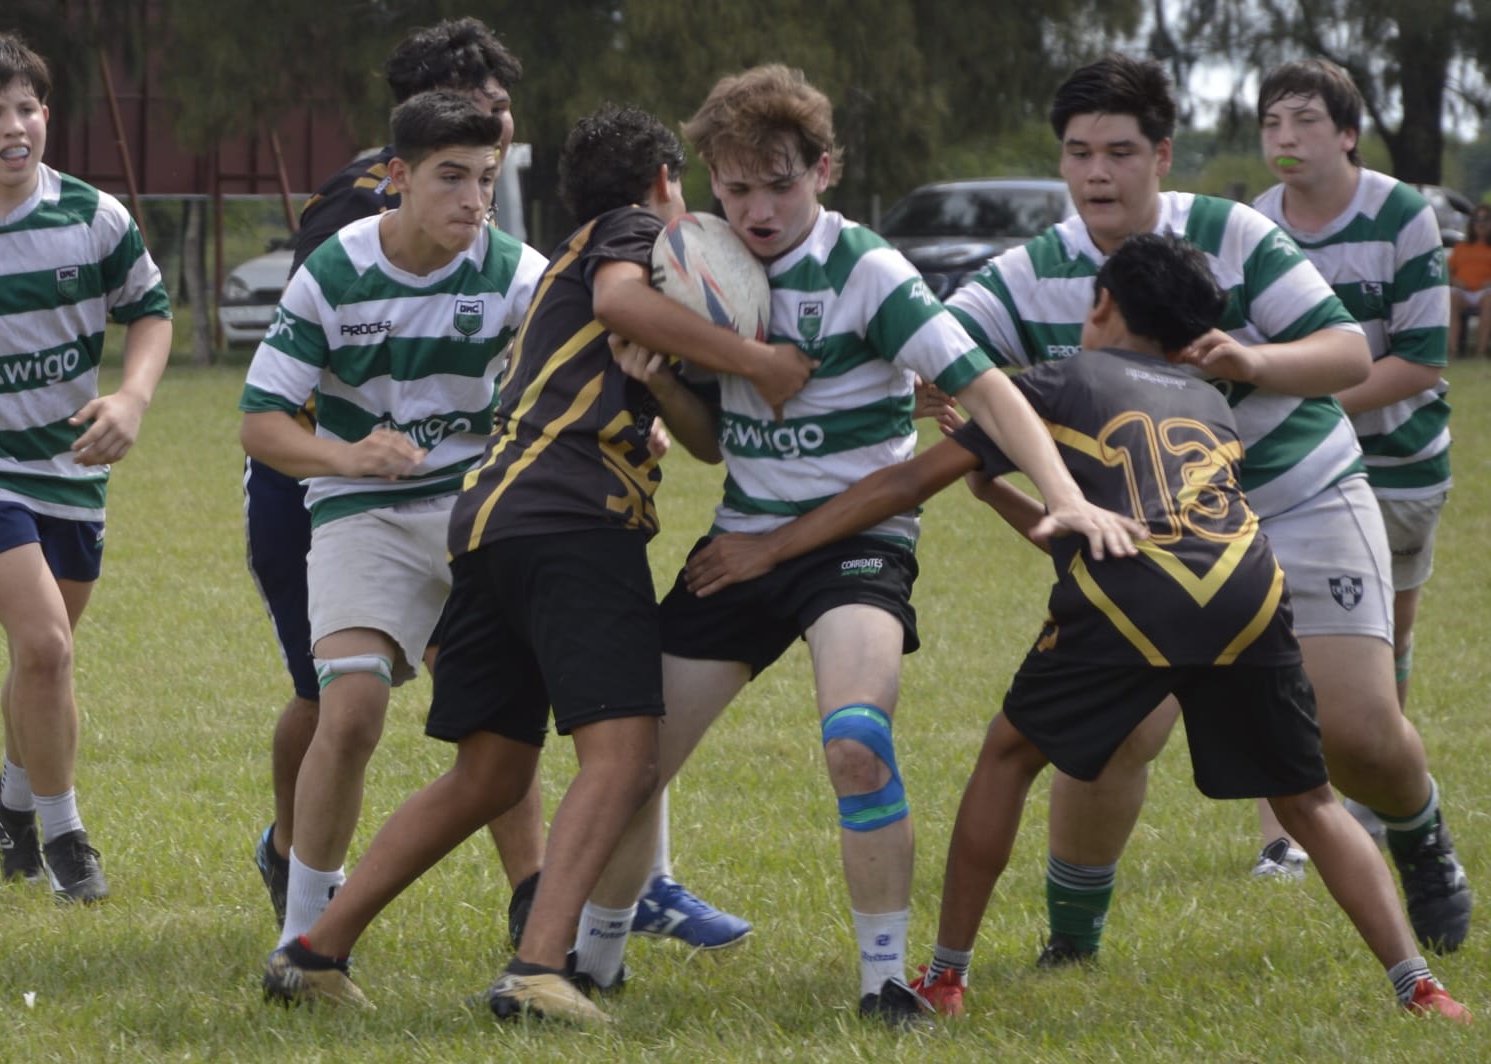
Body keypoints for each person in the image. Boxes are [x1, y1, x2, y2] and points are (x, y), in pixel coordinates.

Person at [685, 233, 1471, 1023]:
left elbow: (909, 479)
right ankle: (1421, 986)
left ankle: (947, 978)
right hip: (1250, 589)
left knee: (1006, 755)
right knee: (1308, 801)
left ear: (1101, 305)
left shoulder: (1057, 379)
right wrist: (998, 494)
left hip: (1140, 589)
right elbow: (1097, 527)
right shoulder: (1209, 402)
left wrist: (774, 546)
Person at [575, 65, 1143, 1030]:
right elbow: (716, 441)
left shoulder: (869, 271)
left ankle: (887, 983)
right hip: (740, 540)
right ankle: (593, 964)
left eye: (779, 184)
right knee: (631, 760)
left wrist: (1063, 498)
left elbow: (991, 391)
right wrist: (666, 385)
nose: (757, 208)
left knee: (856, 739)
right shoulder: (704, 265)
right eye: (736, 185)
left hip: (858, 547)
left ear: (824, 171)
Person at [259, 103, 812, 1024]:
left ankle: (313, 951)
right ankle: (538, 967)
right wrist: (759, 361)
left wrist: (668, 378)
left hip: (489, 521)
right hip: (574, 520)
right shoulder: (636, 240)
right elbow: (621, 305)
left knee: (493, 773)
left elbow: (704, 444)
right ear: (664, 184)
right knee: (624, 755)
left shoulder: (556, 259)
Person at [944, 53, 1470, 965]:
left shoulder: (1230, 233)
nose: (1096, 173)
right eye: (1077, 153)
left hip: (1298, 492)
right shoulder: (1030, 272)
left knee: (1354, 735)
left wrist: (1250, 363)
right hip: (1150, 525)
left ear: (1163, 156)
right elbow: (938, 349)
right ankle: (1073, 945)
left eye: (1118, 151)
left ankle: (1419, 834)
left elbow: (1348, 351)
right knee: (1109, 730)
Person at [239, 91, 549, 954]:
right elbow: (260, 421)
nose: (472, 201)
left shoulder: (518, 273)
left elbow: (574, 370)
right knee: (352, 709)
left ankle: (536, 904)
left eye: (485, 180)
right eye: (452, 178)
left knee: (495, 718)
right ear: (399, 178)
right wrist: (348, 457)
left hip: (472, 512)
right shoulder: (335, 272)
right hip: (358, 510)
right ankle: (305, 936)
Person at [0, 32, 172, 902]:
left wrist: (130, 400)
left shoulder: (94, 216)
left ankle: (11, 798)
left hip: (70, 462)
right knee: (46, 645)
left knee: (40, 656)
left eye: (28, 108)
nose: (15, 125)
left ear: (45, 117)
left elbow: (152, 312)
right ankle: (64, 840)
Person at [1252, 58, 1454, 869]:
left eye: (1304, 121)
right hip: (1288, 475)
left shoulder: (1403, 214)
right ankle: (1283, 834)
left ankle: (1376, 798)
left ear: (1347, 134)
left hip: (1398, 465)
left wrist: (1308, 401)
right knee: (1275, 646)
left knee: (1383, 639)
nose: (1285, 138)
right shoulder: (1256, 221)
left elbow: (1424, 360)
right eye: (1271, 123)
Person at [1448, 205, 1491, 356]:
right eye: (1477, 219)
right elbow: (1447, 272)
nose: (1481, 223)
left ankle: (1480, 351)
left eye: (1486, 220)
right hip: (1463, 291)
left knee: (1489, 300)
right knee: (1452, 297)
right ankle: (1453, 350)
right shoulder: (1461, 246)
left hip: (1484, 292)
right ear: (1472, 223)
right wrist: (1455, 281)